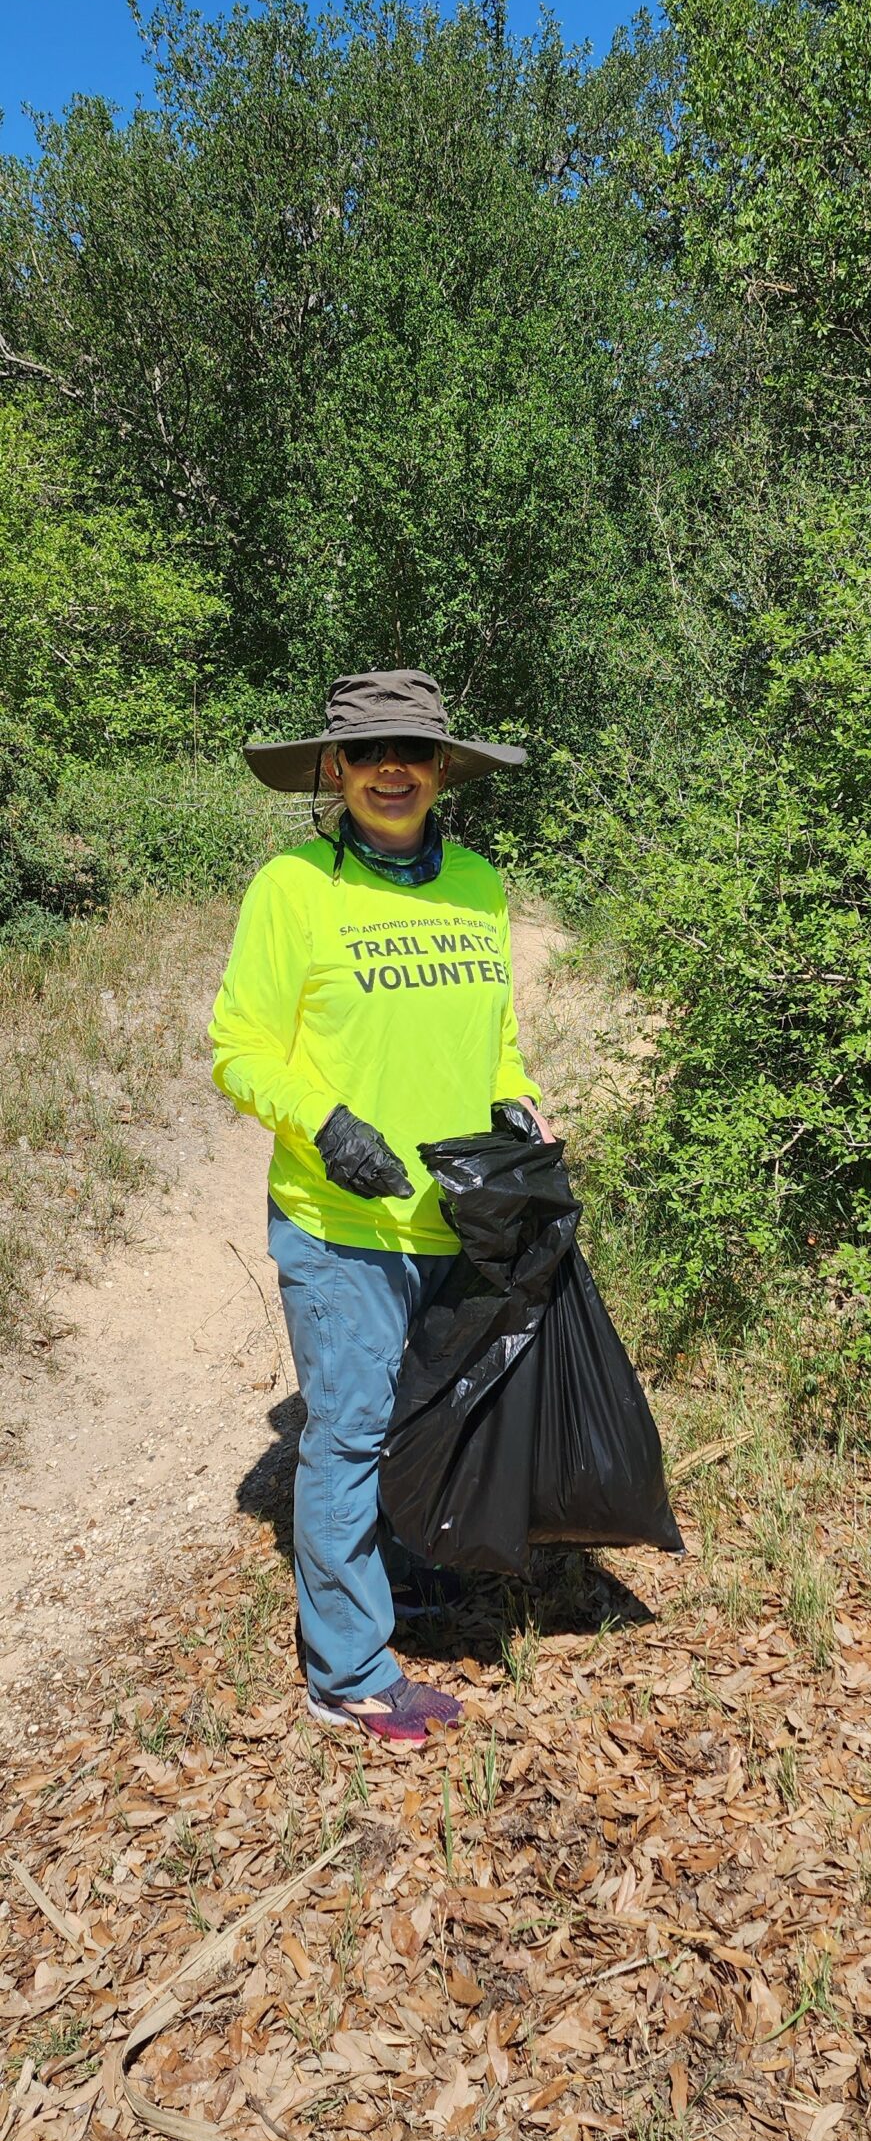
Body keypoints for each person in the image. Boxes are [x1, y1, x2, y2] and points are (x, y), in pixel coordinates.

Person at [208, 668, 549, 1750]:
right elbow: (240, 1046)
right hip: (339, 1222)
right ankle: (349, 1669)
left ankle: (412, 1576)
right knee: (350, 1434)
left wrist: (514, 1092)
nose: (391, 769)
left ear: (443, 766)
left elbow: (491, 1032)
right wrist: (325, 1120)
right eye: (367, 753)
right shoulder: (292, 888)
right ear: (335, 770)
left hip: (459, 1212)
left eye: (413, 749)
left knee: (432, 1412)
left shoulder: (480, 886)